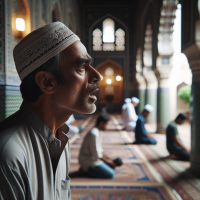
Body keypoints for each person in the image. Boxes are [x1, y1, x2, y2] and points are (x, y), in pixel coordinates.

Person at [0, 22, 101, 200]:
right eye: (82, 68)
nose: (97, 76)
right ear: (47, 82)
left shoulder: (59, 137)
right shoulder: (9, 154)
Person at [77, 114, 123, 179]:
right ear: (102, 123)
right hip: (88, 160)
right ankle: (87, 171)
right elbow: (96, 155)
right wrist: (109, 162)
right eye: (106, 124)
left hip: (94, 159)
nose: (106, 127)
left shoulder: (99, 131)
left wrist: (110, 159)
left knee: (112, 168)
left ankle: (92, 170)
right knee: (111, 174)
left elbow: (100, 151)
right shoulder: (94, 134)